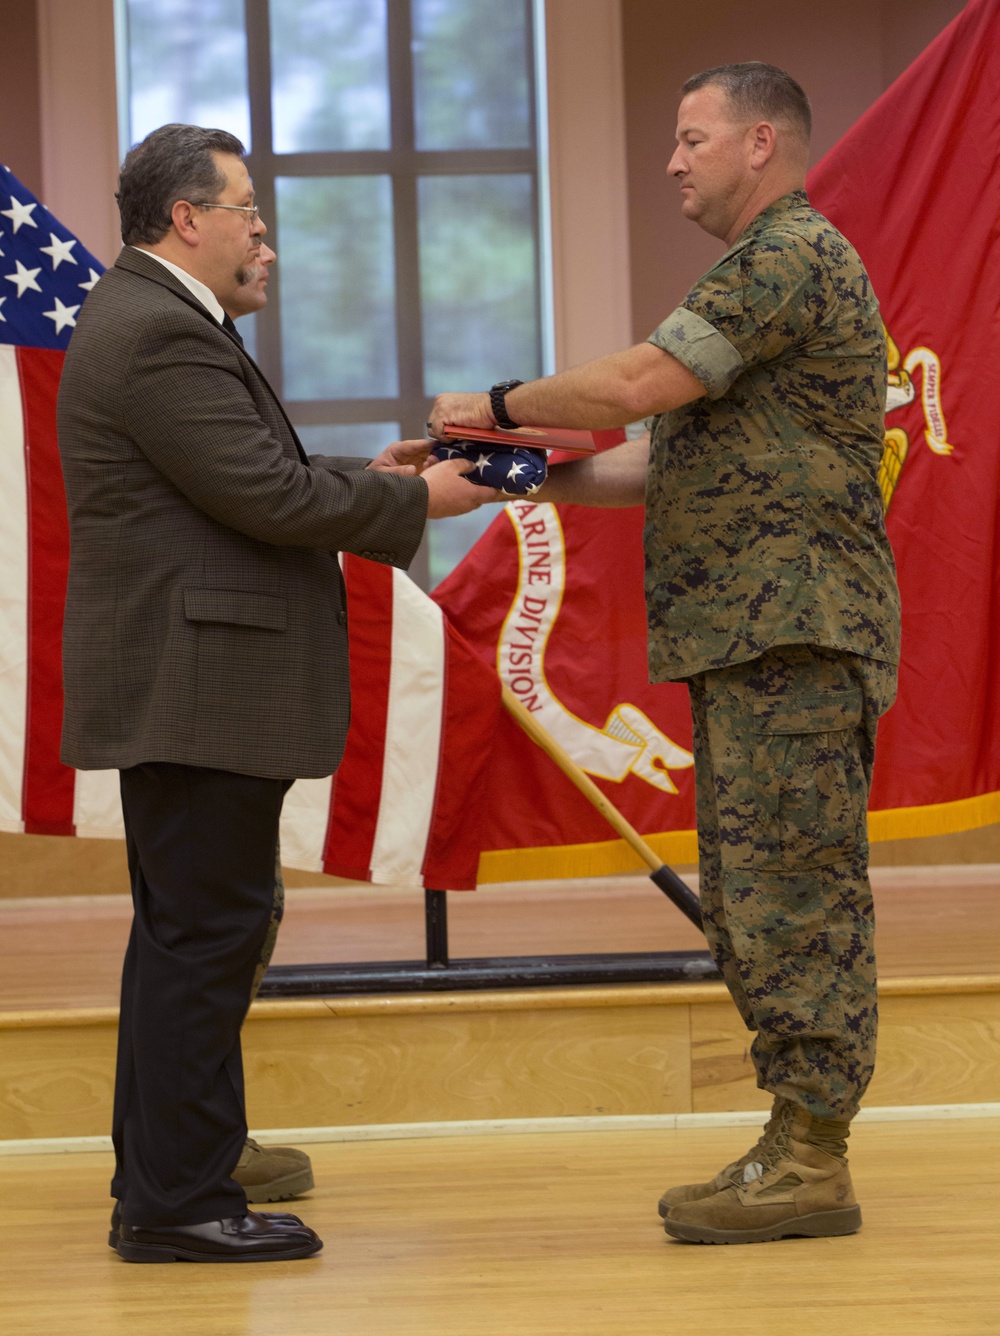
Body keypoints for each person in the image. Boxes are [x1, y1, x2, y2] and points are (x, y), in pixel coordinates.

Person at [428, 63, 900, 1246]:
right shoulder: (755, 275)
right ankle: (794, 1145)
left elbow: (639, 382)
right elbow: (657, 458)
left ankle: (810, 1157)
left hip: (793, 633)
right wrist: (501, 471)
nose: (674, 162)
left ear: (759, 142)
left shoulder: (789, 255)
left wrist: (489, 403)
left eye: (691, 140)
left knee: (794, 896)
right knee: (749, 896)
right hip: (754, 641)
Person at [57, 122, 492, 1264]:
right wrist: (423, 504)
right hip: (197, 687)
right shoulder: (157, 330)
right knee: (207, 938)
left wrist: (370, 478)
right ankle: (179, 1203)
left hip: (190, 686)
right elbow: (266, 498)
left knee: (186, 937)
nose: (266, 234)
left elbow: (250, 486)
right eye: (246, 209)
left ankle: (164, 1179)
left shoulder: (156, 320)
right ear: (185, 219)